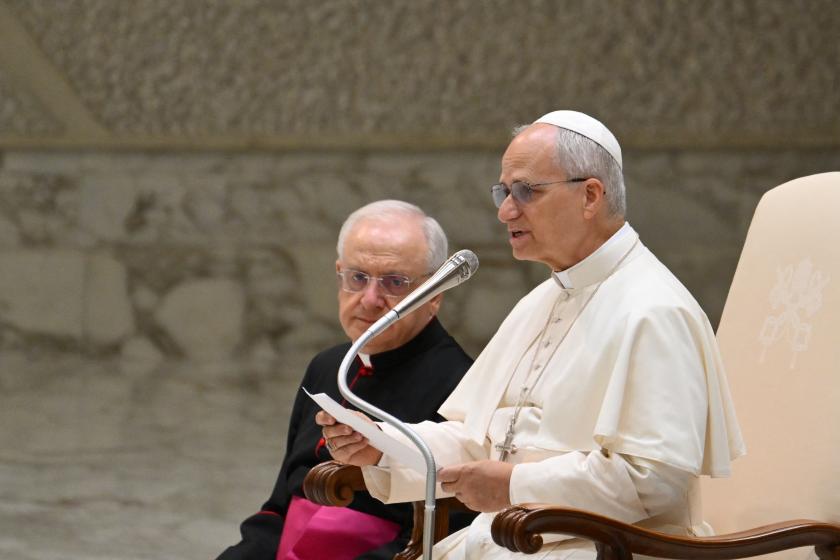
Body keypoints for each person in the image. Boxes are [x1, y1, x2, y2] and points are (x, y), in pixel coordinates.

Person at [318, 111, 747, 559]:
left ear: (590, 196)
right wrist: (383, 445)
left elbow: (654, 482)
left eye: (526, 191)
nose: (506, 210)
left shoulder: (654, 311)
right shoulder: (541, 301)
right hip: (512, 542)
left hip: (604, 549)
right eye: (503, 192)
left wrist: (514, 486)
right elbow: (476, 440)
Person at [218, 200, 474, 560]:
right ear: (339, 274)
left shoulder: (462, 383)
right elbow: (280, 505)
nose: (370, 300)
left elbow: (447, 537)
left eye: (395, 282)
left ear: (435, 294)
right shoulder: (327, 366)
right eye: (357, 278)